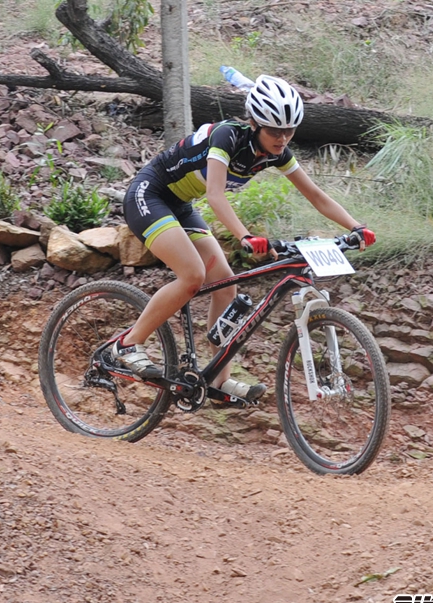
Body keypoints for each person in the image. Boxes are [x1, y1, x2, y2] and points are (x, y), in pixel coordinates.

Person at [114, 75, 376, 401]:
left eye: (289, 130)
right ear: (255, 124)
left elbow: (316, 195)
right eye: (274, 131)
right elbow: (215, 195)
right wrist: (245, 236)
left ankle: (218, 381)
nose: (282, 138)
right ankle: (127, 344)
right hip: (149, 194)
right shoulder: (227, 136)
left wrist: (356, 226)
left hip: (180, 205)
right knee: (193, 275)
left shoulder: (278, 152)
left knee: (225, 283)